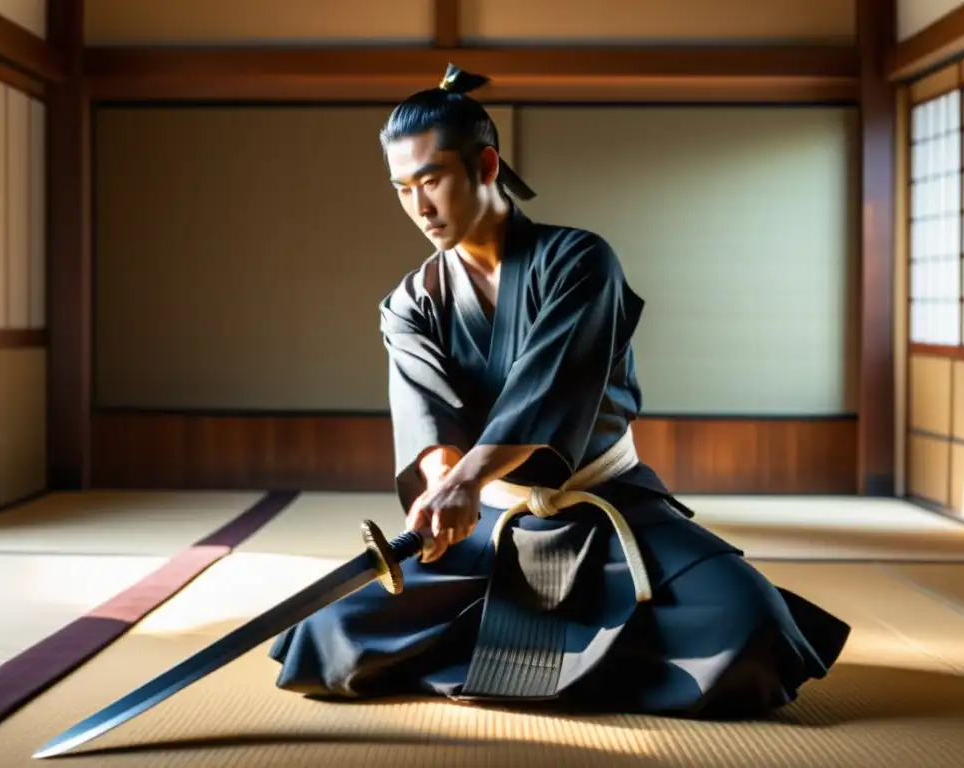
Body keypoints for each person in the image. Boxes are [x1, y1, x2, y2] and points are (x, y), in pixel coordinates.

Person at [269, 64, 851, 717]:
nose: (419, 206)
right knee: (327, 638)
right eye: (403, 188)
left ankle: (530, 650)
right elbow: (429, 419)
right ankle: (585, 655)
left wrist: (465, 481)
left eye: (432, 181)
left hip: (611, 510)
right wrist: (443, 492)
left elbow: (549, 392)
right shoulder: (411, 301)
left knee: (751, 634)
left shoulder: (580, 261)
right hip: (488, 524)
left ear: (486, 166)